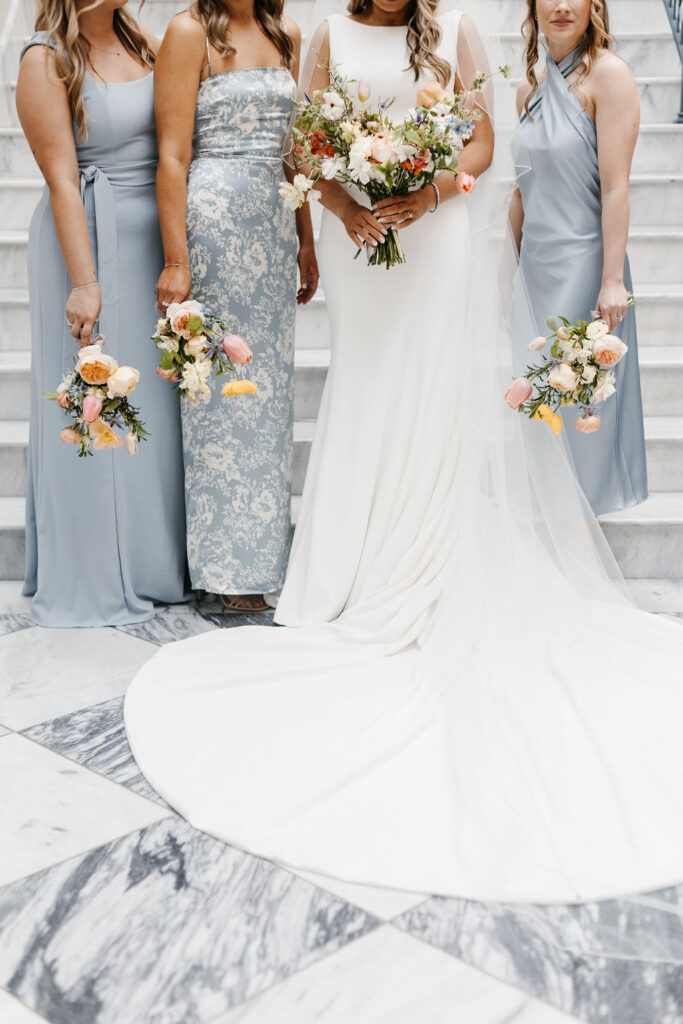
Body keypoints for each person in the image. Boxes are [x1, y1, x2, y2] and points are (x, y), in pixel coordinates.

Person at [126, 0, 683, 908]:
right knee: (365, 386)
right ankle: (346, 566)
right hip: (358, 244)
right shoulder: (324, 34)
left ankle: (420, 550)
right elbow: (304, 143)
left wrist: (420, 195)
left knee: (426, 390)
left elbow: (479, 142)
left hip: (436, 236)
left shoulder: (457, 26)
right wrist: (350, 206)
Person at [16, 0, 188, 628]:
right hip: (86, 241)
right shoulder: (46, 58)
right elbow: (62, 178)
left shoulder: (146, 40)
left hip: (154, 247)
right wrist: (85, 283)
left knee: (155, 410)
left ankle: (155, 564)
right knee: (96, 403)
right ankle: (92, 570)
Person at [153, 0, 318, 614]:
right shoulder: (189, 30)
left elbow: (294, 152)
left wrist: (306, 238)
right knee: (218, 390)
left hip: (274, 229)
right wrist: (177, 260)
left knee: (268, 398)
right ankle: (221, 572)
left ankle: (260, 565)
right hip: (214, 226)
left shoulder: (287, 31)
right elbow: (172, 154)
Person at [509, 0, 647, 515]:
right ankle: (547, 526)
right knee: (537, 403)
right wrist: (507, 270)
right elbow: (522, 193)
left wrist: (612, 280)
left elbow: (615, 189)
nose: (562, 5)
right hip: (537, 267)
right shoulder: (529, 88)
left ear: (595, 6)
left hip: (586, 267)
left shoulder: (610, 76)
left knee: (578, 400)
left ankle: (579, 533)